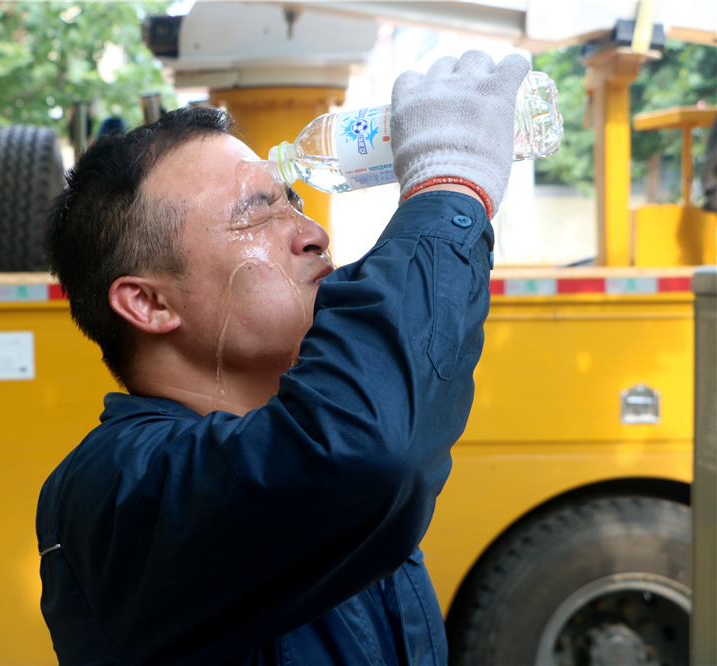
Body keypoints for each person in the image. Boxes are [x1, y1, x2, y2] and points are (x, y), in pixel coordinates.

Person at [36, 51, 531, 666]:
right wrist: (447, 189)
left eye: (293, 203)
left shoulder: (311, 467)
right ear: (149, 303)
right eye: (257, 214)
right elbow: (360, 452)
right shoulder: (118, 492)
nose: (312, 233)